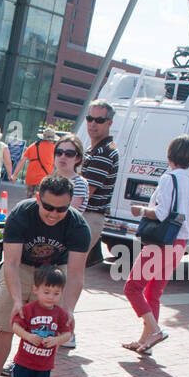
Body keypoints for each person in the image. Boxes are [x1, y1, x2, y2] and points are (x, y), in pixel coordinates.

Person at [0, 175, 90, 377]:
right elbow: (11, 263)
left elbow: (77, 273)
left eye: (61, 209)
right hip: (22, 268)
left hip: (54, 272)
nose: (53, 213)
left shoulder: (78, 225)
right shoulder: (21, 214)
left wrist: (68, 309)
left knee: (48, 330)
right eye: (48, 206)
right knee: (6, 325)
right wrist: (18, 301)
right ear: (38, 198)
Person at [122, 135, 189, 355]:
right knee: (154, 292)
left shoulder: (168, 178)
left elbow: (161, 213)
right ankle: (146, 341)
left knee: (132, 288)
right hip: (179, 242)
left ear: (169, 155)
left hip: (161, 243)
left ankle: (154, 331)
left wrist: (140, 210)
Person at [0, 267, 73, 377]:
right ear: (36, 289)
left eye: (56, 293)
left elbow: (67, 333)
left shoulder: (59, 314)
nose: (51, 297)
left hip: (44, 365)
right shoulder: (29, 309)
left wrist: (56, 340)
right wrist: (28, 336)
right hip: (24, 362)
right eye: (46, 291)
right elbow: (15, 325)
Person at [80, 100, 119, 272]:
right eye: (90, 118)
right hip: (86, 215)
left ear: (109, 123)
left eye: (99, 120)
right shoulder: (94, 149)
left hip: (89, 216)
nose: (92, 123)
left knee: (69, 270)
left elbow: (85, 193)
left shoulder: (104, 152)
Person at [51, 135, 87, 214]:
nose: (63, 157)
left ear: (78, 158)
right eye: (59, 152)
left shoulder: (79, 183)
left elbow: (67, 213)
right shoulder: (50, 179)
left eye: (69, 154)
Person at [19, 128, 57, 194]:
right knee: (39, 197)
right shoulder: (55, 149)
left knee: (29, 196)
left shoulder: (33, 146)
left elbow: (22, 160)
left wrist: (14, 175)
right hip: (44, 178)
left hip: (31, 177)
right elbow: (57, 165)